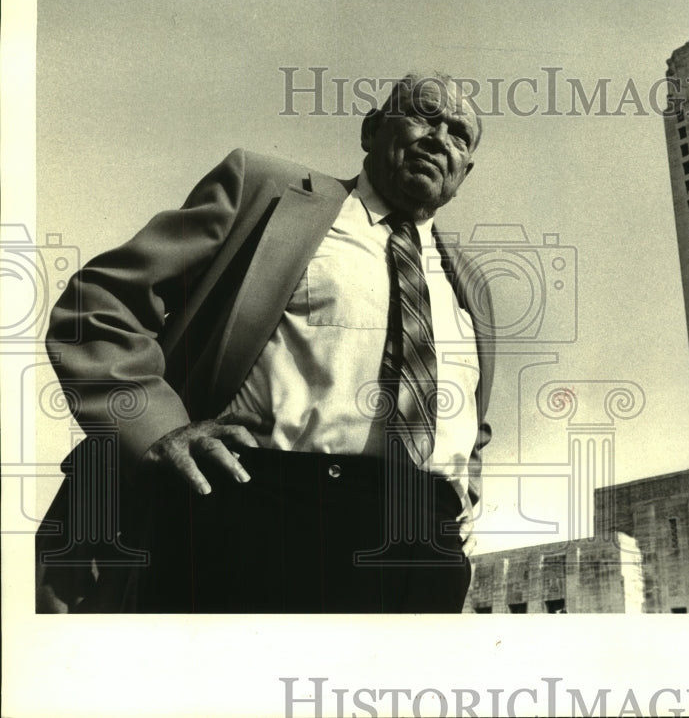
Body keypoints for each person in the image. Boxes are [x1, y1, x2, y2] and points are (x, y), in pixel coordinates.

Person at [36, 72, 495, 614]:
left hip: (425, 547)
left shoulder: (470, 284)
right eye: (422, 115)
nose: (439, 137)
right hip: (259, 509)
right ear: (371, 130)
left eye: (459, 133)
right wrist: (156, 428)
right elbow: (100, 306)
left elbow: (469, 418)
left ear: (464, 173)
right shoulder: (267, 191)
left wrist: (463, 488)